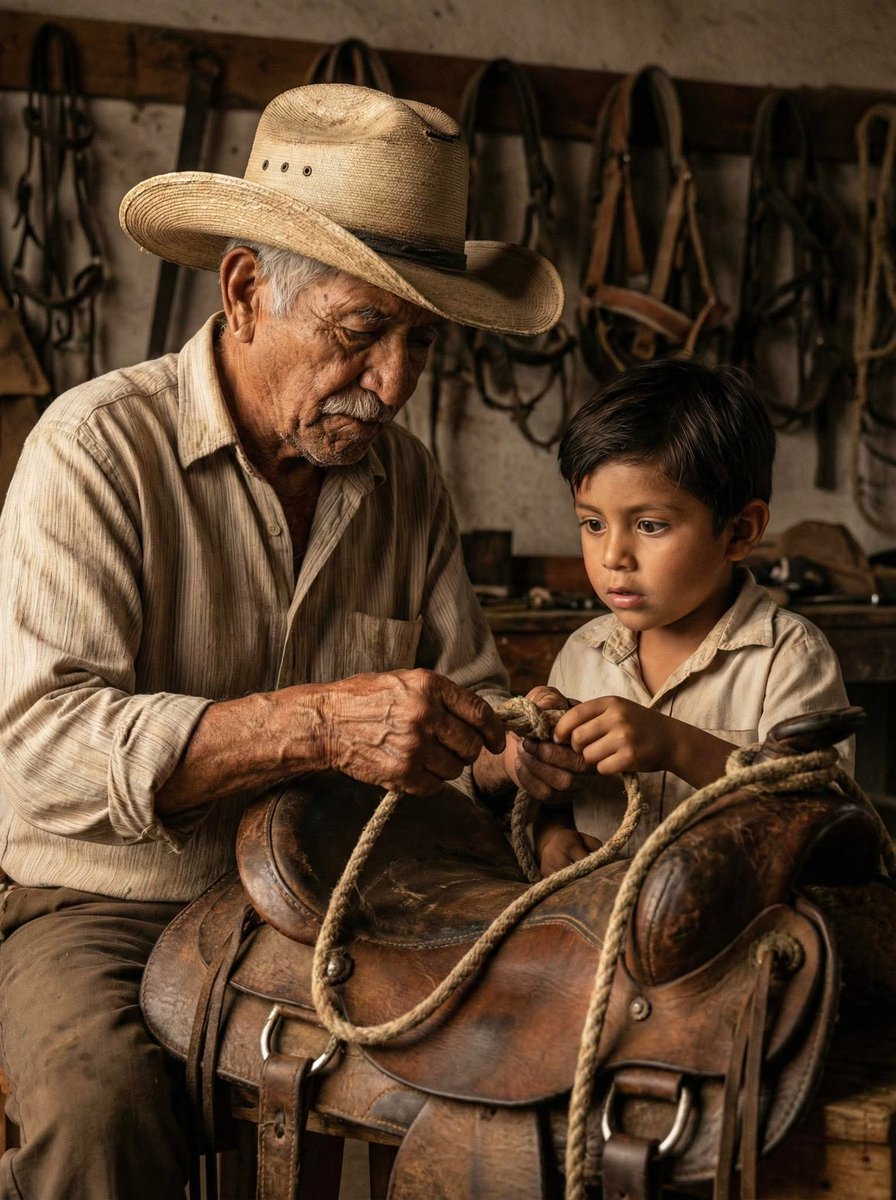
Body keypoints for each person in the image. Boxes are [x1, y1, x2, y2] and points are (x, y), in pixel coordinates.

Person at [0, 83, 564, 1199]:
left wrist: (519, 747)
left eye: (419, 343)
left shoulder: (403, 481)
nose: (394, 385)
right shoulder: (96, 451)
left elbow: (466, 705)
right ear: (248, 289)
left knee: (529, 1066)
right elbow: (39, 753)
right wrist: (318, 723)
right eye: (360, 334)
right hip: (109, 900)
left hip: (336, 895)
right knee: (97, 1103)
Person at [479, 358, 852, 877]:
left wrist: (675, 744)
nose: (613, 556)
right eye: (592, 523)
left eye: (650, 525)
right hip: (597, 933)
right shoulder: (582, 654)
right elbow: (555, 798)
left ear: (741, 531)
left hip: (742, 935)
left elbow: (825, 822)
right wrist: (552, 836)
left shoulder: (788, 658)